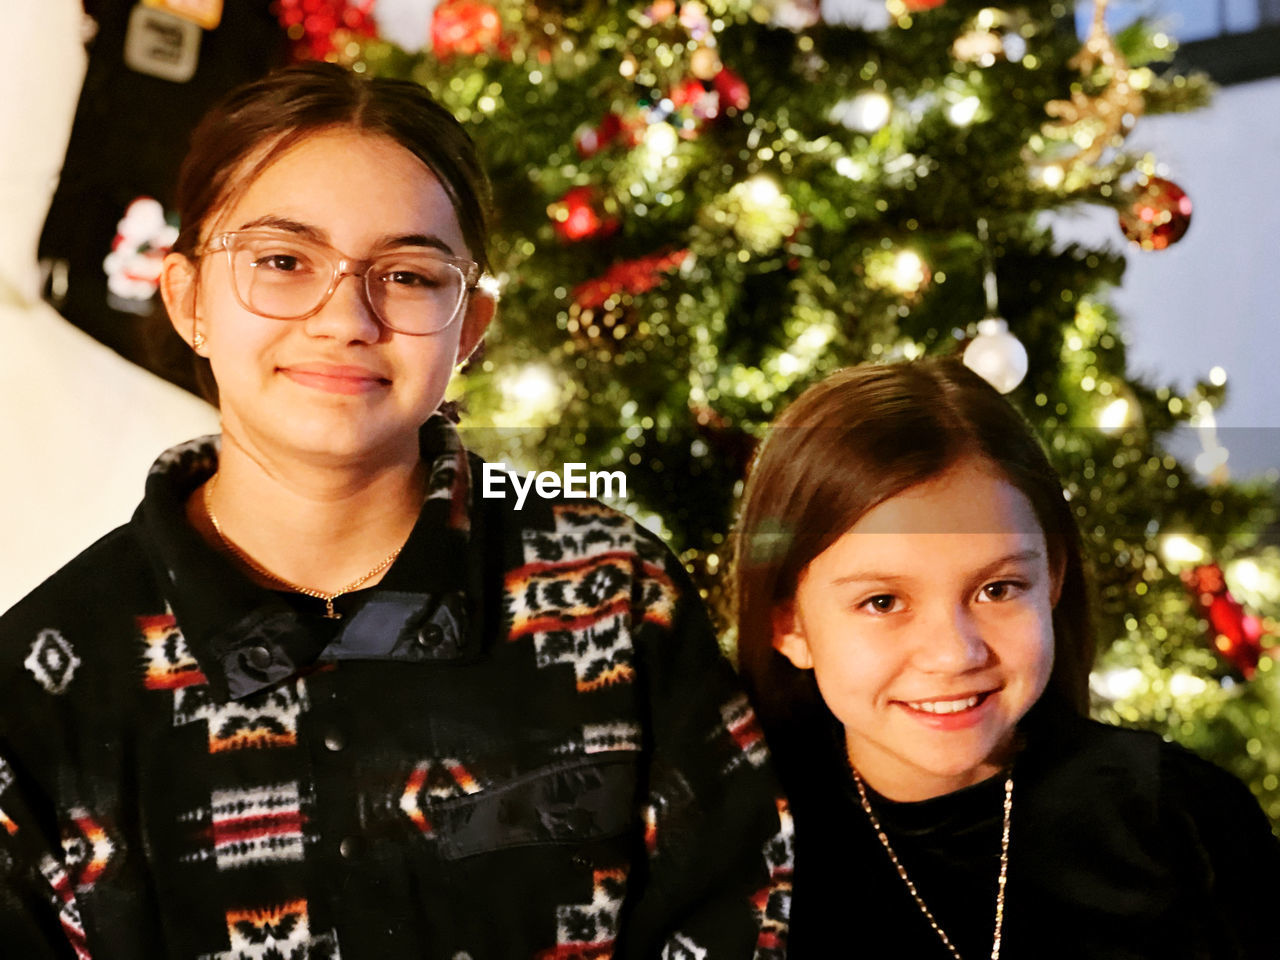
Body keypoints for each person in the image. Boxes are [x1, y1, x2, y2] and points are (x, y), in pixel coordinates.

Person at [0, 63, 791, 959]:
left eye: (409, 275)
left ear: (472, 326)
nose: (346, 318)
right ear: (188, 301)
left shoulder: (612, 600)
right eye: (282, 261)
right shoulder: (45, 682)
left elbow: (741, 917)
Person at [733, 358, 1279, 959]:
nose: (954, 653)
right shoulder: (734, 864)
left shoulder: (1184, 821)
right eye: (882, 601)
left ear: (1053, 580)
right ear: (789, 625)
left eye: (998, 589)